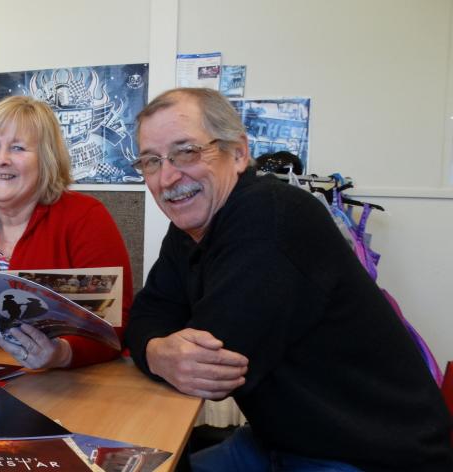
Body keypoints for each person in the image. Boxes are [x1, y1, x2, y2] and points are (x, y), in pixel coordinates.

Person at [124, 87, 452, 471]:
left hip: (369, 454)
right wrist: (157, 352)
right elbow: (147, 314)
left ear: (239, 153)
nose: (167, 177)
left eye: (187, 152)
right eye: (151, 161)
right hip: (281, 439)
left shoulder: (272, 216)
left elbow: (213, 360)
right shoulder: (190, 226)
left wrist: (156, 347)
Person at [0, 95, 134, 370]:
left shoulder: (86, 218)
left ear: (46, 160)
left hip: (67, 385)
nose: (1, 159)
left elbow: (115, 325)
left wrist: (62, 354)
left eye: (18, 148)